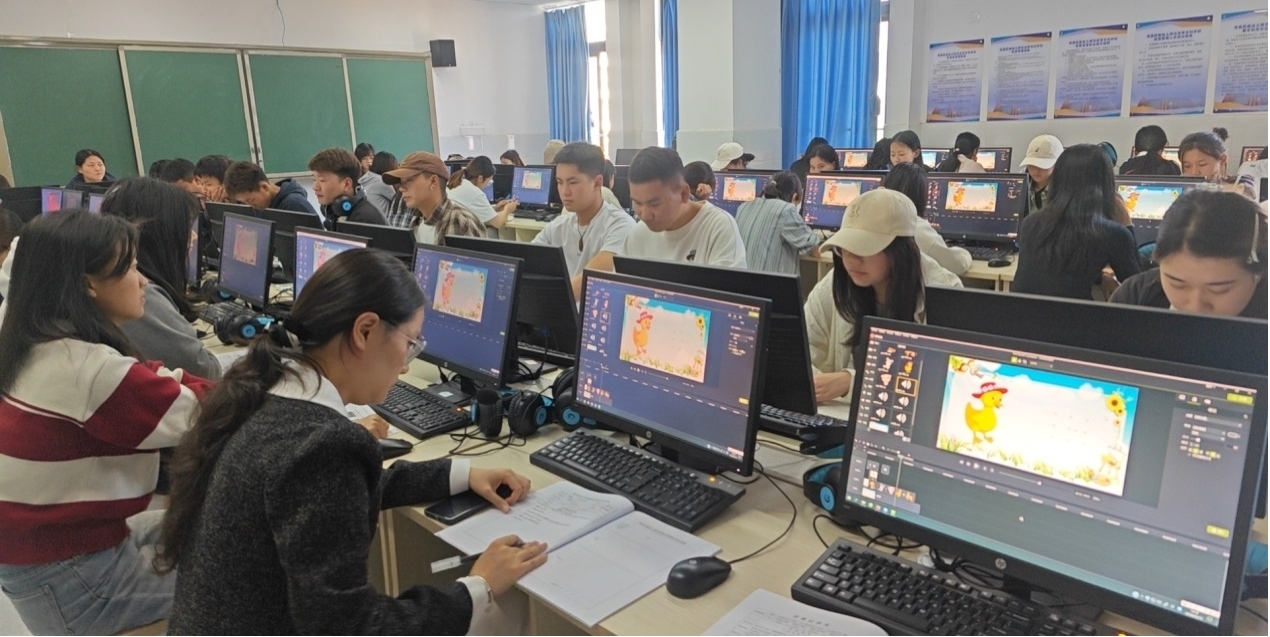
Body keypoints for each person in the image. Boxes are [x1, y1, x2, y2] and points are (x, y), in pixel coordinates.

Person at [157, 248, 547, 634]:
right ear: (365, 331)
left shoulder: (261, 390)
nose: (406, 365)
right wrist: (478, 587)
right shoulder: (321, 446)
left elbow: (331, 492)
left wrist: (459, 474)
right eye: (410, 343)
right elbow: (354, 628)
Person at [0, 211, 211, 636]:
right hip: (75, 584)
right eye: (131, 268)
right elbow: (210, 413)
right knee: (249, 574)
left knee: (211, 520)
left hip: (47, 561)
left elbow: (152, 378)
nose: (144, 281)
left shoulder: (36, 341)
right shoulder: (88, 371)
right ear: (88, 285)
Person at [804, 189, 962, 403]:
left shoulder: (944, 294)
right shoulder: (835, 285)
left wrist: (854, 382)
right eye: (844, 248)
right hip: (840, 414)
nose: (851, 259)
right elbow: (802, 351)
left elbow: (947, 382)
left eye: (863, 248)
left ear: (900, 251)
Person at [103, 178, 222, 379]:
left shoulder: (114, 280)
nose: (193, 236)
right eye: (185, 227)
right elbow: (202, 370)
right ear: (161, 233)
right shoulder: (139, 293)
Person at [1012, 144, 1142, 300]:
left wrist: (1102, 276)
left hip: (1018, 313)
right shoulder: (1111, 233)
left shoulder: (1030, 223)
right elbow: (1138, 286)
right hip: (1070, 315)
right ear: (1105, 181)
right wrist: (1127, 223)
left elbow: (1062, 272)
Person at [1111, 190, 1265, 318]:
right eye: (1177, 284)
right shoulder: (1135, 298)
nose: (1195, 307)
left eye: (1219, 290)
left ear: (1258, 273)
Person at [531, 143, 636, 298]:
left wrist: (547, 300)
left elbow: (592, 279)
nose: (564, 192)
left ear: (597, 183)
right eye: (560, 182)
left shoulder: (620, 225)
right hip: (559, 309)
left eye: (573, 182)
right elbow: (527, 262)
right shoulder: (557, 226)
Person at [624, 147, 747, 267]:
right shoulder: (636, 236)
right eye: (637, 203)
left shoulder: (718, 227)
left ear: (683, 193)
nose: (645, 215)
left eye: (654, 204)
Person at [881, 163, 972, 274]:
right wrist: (966, 253)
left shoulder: (875, 219)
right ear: (921, 196)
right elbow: (956, 264)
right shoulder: (916, 227)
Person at [382, 152, 485, 246]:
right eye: (400, 182)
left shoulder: (459, 221)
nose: (401, 188)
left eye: (408, 180)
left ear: (433, 181)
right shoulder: (417, 222)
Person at [735, 171, 819, 275]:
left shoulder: (743, 207)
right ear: (794, 197)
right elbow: (814, 250)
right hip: (769, 284)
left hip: (741, 281)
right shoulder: (786, 210)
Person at [308, 148, 388, 229]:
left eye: (322, 180)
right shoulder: (339, 212)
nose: (315, 187)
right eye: (314, 179)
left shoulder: (365, 219)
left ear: (347, 184)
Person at [223, 160, 321, 220]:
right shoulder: (263, 205)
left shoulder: (294, 205)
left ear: (264, 187)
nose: (250, 206)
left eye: (251, 200)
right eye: (245, 202)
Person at [1179, 128, 1257, 200]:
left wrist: (1213, 187)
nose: (1194, 172)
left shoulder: (1240, 182)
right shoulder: (1180, 187)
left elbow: (1249, 193)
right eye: (1187, 166)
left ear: (1222, 160)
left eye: (1202, 164)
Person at [446, 156, 517, 234]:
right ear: (480, 178)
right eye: (489, 180)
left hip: (450, 232)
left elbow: (471, 208)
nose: (488, 184)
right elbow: (498, 223)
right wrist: (507, 209)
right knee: (493, 232)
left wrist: (496, 207)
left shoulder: (458, 182)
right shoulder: (475, 193)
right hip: (462, 233)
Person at [1019, 134, 1063, 216]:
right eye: (1031, 165)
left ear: (1058, 164)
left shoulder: (1066, 189)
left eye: (1041, 166)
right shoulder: (1020, 182)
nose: (1035, 171)